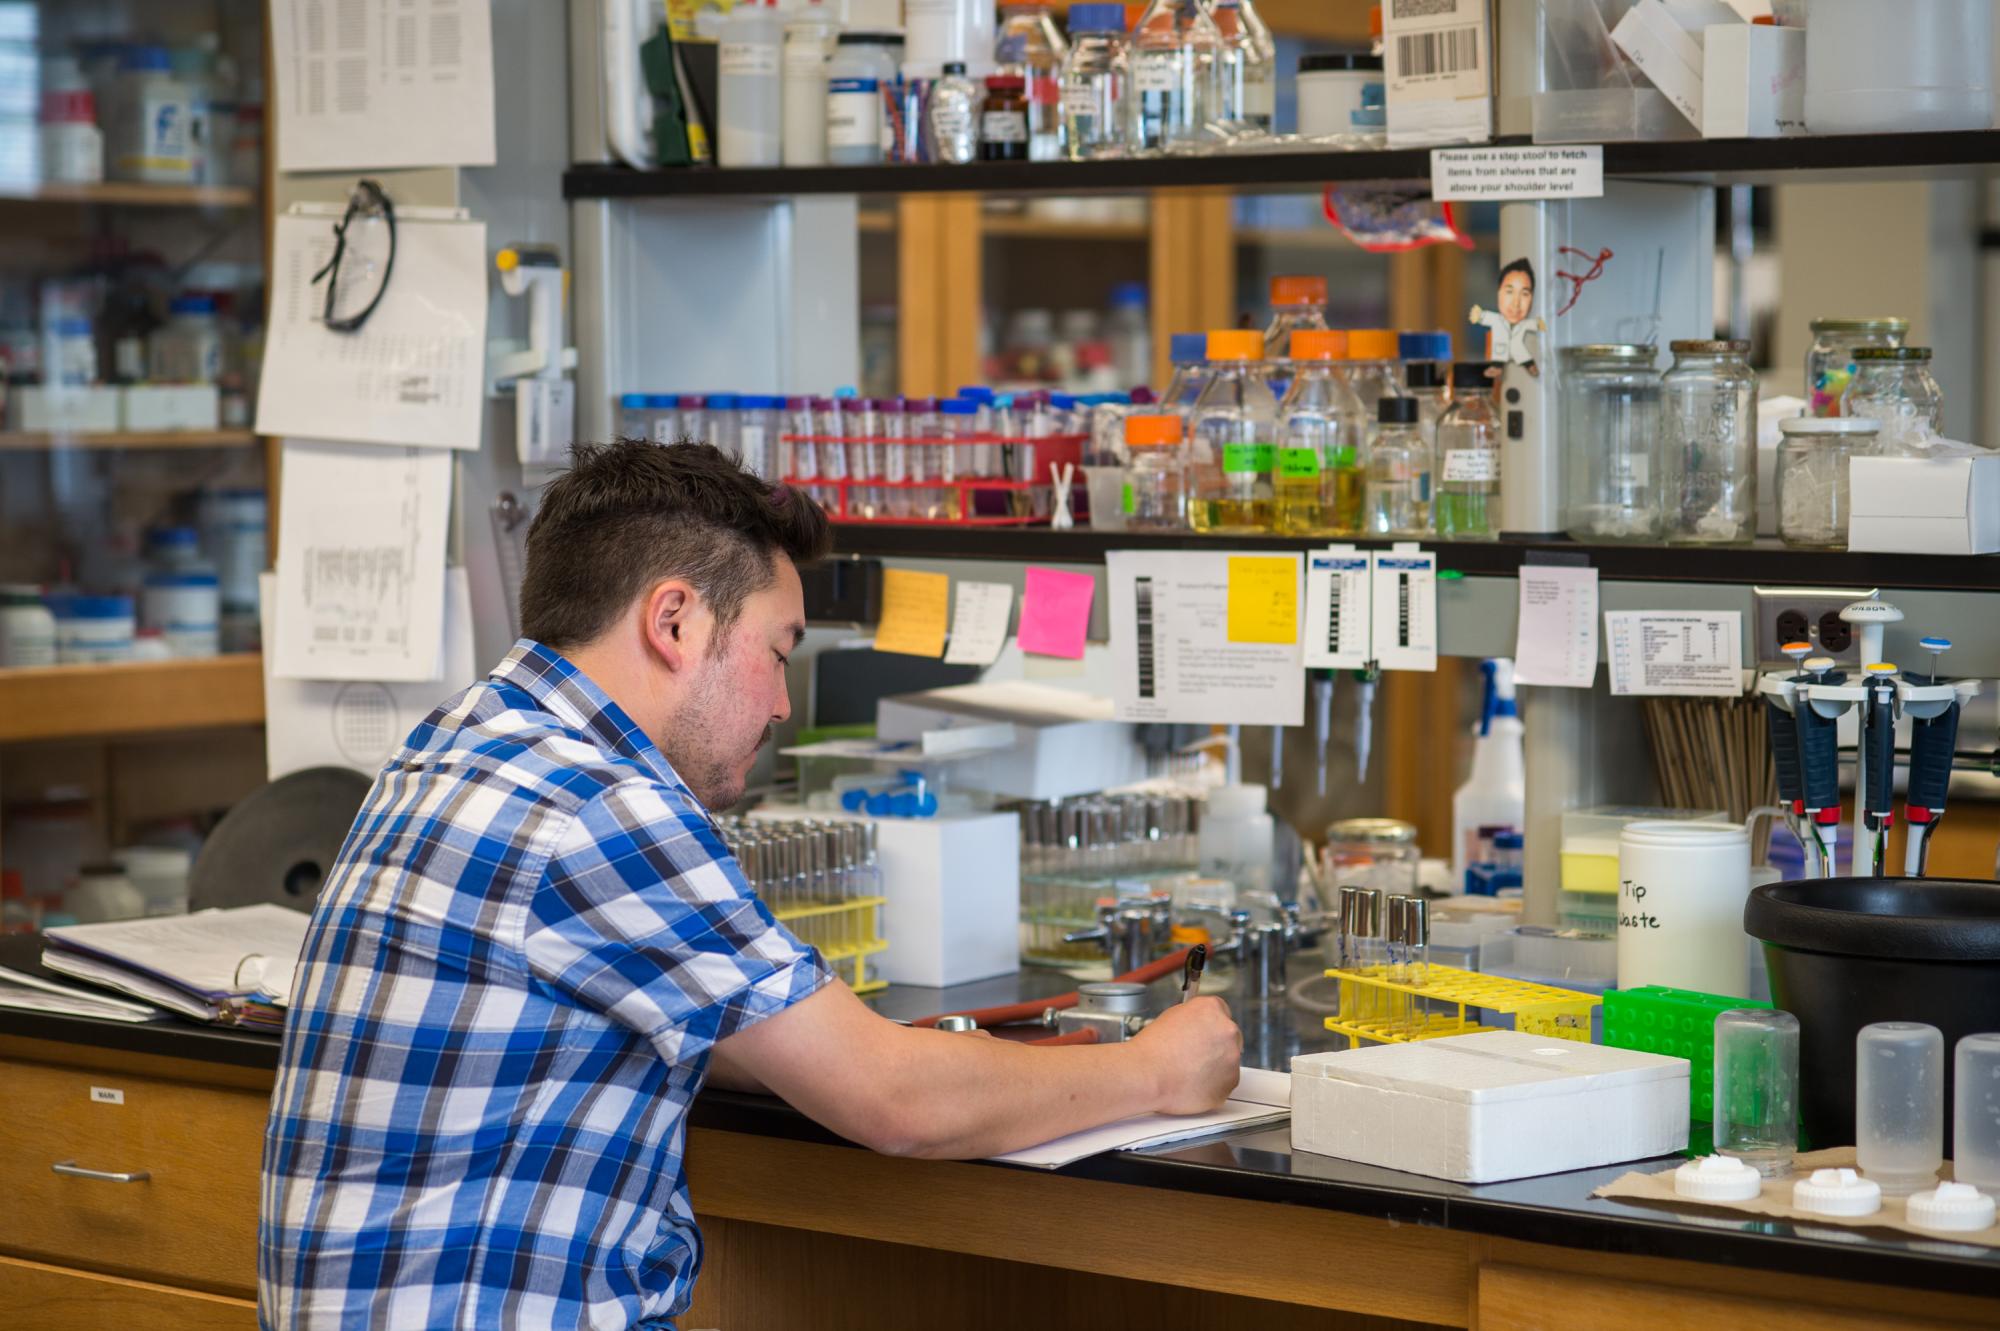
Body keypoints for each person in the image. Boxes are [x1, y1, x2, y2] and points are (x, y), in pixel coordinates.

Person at [259, 440, 1242, 1331]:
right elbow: (895, 1100)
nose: (779, 700)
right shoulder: (604, 802)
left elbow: (690, 1013)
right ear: (675, 620)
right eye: (777, 651)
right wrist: (1154, 1066)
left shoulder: (470, 734)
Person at [1470, 258, 1546, 377]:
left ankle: (1531, 367)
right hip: (1501, 350)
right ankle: (1497, 368)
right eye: (1509, 292)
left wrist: (1541, 324)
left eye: (1525, 294)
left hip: (1519, 350)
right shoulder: (1497, 319)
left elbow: (1535, 324)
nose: (1516, 303)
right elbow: (1484, 317)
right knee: (1499, 355)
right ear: (1498, 293)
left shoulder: (1524, 323)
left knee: (1523, 355)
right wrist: (1478, 315)